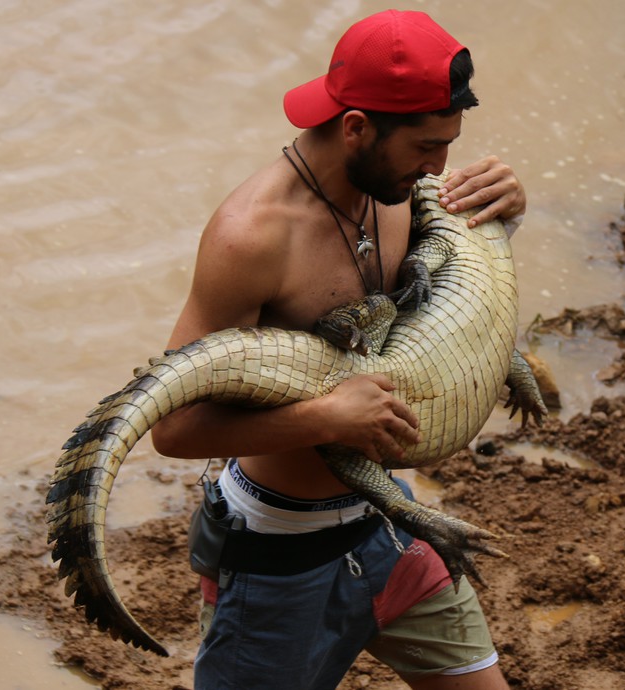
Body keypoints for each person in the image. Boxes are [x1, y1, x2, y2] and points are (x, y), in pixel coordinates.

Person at [150, 9, 526, 690]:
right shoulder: (252, 237)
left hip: (390, 525)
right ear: (355, 126)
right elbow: (173, 429)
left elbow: (444, 307)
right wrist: (326, 418)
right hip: (277, 558)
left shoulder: (401, 189)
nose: (439, 167)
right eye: (424, 147)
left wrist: (502, 217)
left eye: (449, 144)